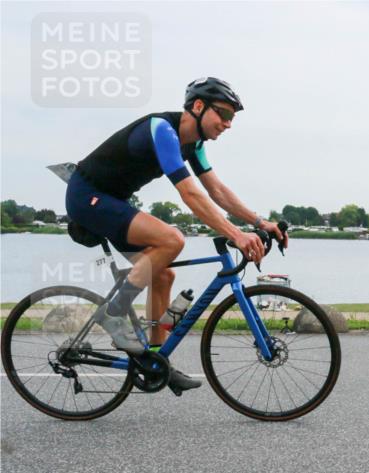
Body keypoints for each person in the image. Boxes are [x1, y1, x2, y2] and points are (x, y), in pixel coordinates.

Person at [65, 77, 286, 393]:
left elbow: (217, 190)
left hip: (113, 202)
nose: (227, 124)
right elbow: (191, 195)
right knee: (172, 239)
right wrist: (236, 234)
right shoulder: (163, 131)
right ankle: (113, 315)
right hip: (87, 195)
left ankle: (157, 360)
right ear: (198, 106)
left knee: (164, 275)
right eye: (222, 114)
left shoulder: (193, 145)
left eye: (231, 119)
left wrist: (260, 222)